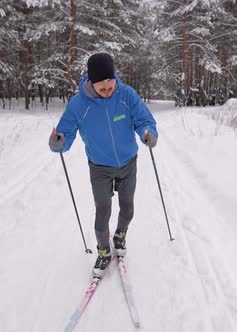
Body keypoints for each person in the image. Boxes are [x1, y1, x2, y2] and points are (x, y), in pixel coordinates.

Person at [49, 52, 158, 278]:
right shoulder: (79, 105)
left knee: (127, 207)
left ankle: (120, 235)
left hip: (128, 163)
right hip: (99, 167)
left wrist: (148, 133)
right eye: (101, 83)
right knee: (102, 211)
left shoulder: (126, 95)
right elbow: (65, 134)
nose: (107, 87)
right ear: (91, 81)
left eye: (110, 81)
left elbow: (144, 120)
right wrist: (58, 141)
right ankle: (104, 251)